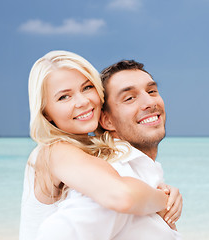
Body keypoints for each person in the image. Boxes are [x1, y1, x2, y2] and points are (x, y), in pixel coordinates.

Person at [19, 51, 181, 240]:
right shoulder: (55, 151)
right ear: (46, 113)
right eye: (64, 97)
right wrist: (164, 199)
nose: (82, 102)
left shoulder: (95, 154)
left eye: (87, 88)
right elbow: (121, 195)